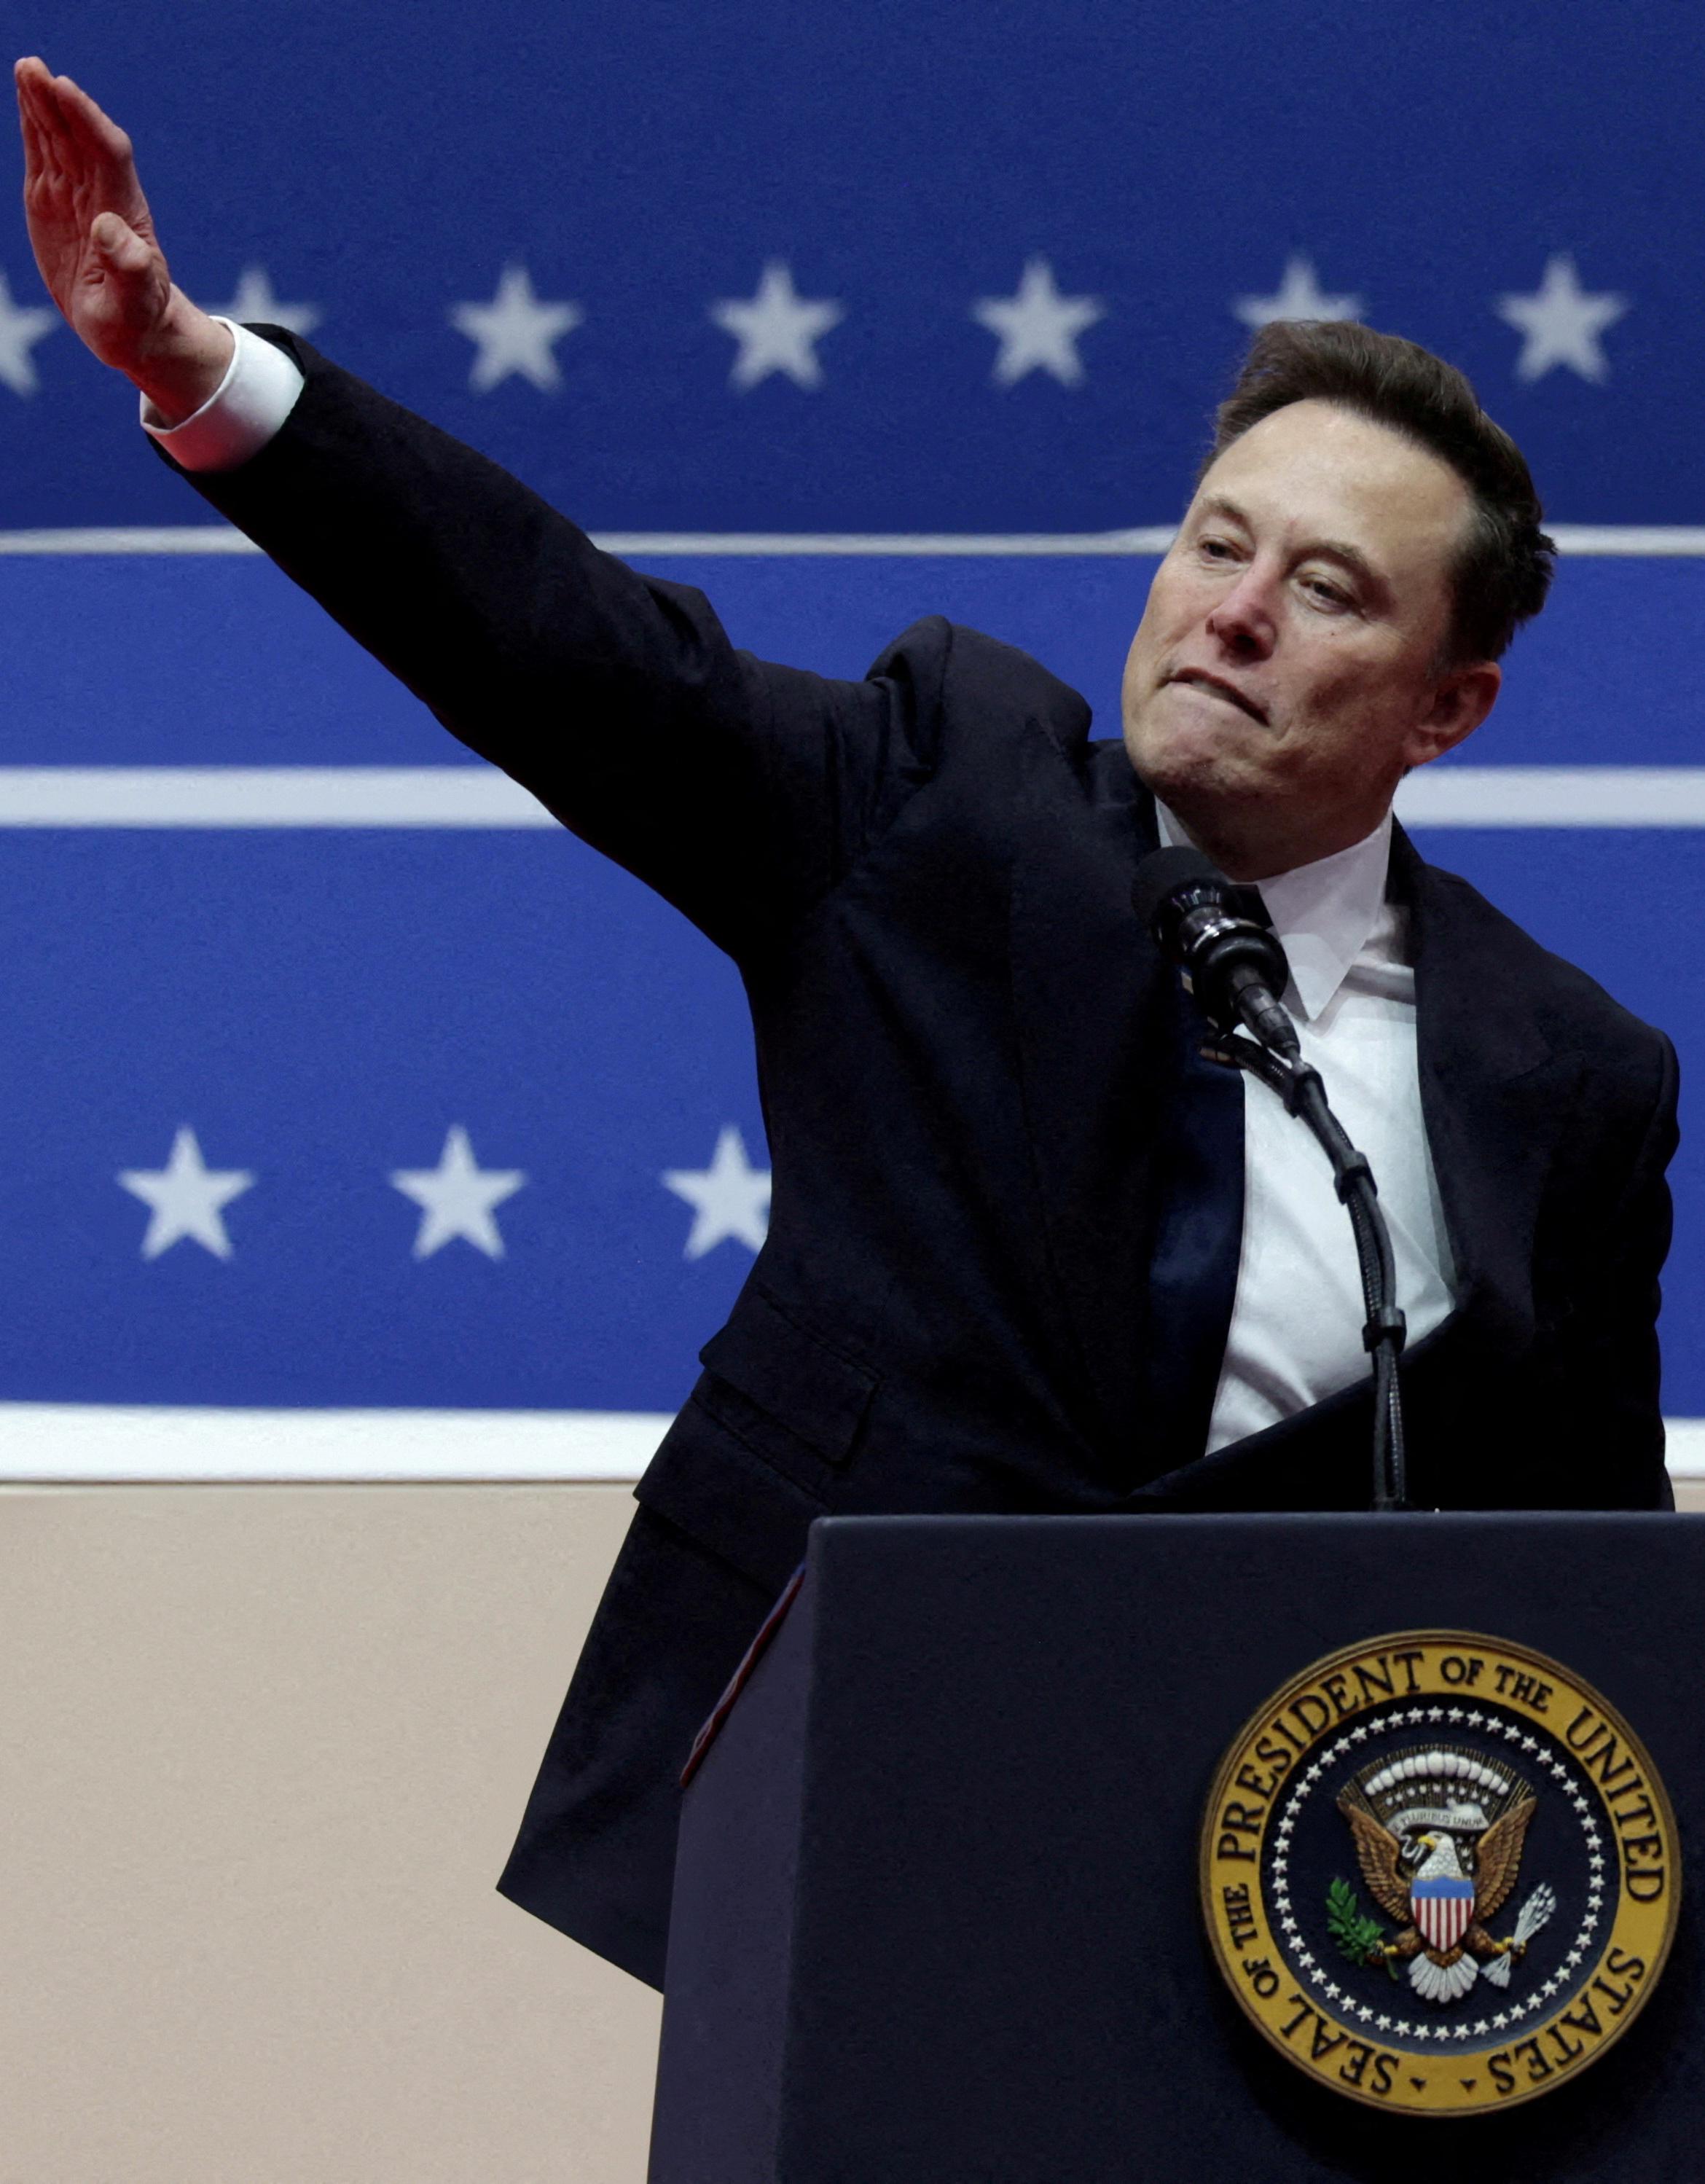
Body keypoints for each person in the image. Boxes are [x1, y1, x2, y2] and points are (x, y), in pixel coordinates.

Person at [17, 57, 1679, 1992]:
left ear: (1444, 708)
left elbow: (1591, 1581)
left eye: (1322, 592)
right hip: (860, 1797)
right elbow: (565, 644)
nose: (1229, 613)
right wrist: (206, 375)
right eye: (1213, 544)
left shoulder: (1562, 1074)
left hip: (1299, 1905)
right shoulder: (937, 800)